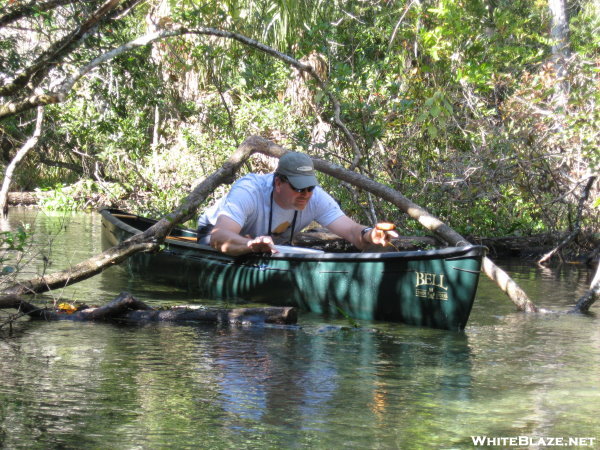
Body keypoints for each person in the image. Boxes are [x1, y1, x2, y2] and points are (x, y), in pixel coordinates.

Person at [197, 151, 398, 255]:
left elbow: (353, 232)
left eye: (309, 188)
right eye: (298, 188)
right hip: (213, 234)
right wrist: (250, 245)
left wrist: (371, 234)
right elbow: (219, 237)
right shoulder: (249, 190)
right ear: (278, 182)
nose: (306, 194)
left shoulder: (315, 196)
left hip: (266, 245)